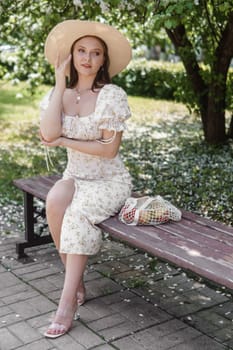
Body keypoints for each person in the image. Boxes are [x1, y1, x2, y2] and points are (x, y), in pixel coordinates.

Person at [39, 19, 132, 338]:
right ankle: (75, 280)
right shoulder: (59, 93)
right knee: (54, 201)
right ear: (71, 55)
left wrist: (64, 141)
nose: (87, 58)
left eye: (95, 53)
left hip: (109, 181)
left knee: (76, 214)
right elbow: (48, 133)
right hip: (75, 176)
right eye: (81, 50)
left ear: (104, 60)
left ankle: (66, 305)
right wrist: (59, 83)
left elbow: (108, 149)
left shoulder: (112, 95)